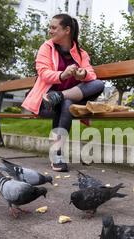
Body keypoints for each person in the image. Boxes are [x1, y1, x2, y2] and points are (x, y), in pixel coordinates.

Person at [22, 14, 105, 172]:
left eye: (54, 28)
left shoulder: (81, 54)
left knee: (98, 84)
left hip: (66, 99)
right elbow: (43, 72)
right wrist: (63, 75)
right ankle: (57, 153)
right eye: (50, 27)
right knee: (66, 105)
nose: (50, 31)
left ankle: (60, 96)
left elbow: (91, 76)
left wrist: (82, 75)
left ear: (67, 30)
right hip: (46, 103)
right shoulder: (46, 47)